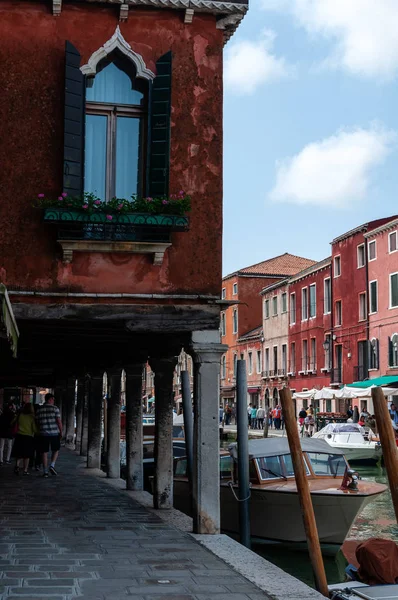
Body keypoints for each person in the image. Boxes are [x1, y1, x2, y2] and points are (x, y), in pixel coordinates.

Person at [36, 393, 62, 478]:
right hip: (54, 433)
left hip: (43, 433)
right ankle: (52, 465)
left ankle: (45, 471)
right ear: (50, 399)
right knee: (56, 450)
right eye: (53, 399)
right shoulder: (55, 408)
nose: (54, 401)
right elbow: (58, 422)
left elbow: (37, 422)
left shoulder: (40, 409)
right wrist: (61, 432)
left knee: (44, 452)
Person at [11, 402, 38, 475]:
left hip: (19, 436)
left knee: (19, 453)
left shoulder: (20, 415)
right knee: (27, 455)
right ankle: (25, 470)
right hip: (28, 437)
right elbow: (34, 429)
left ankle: (17, 466)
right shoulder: (32, 417)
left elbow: (12, 422)